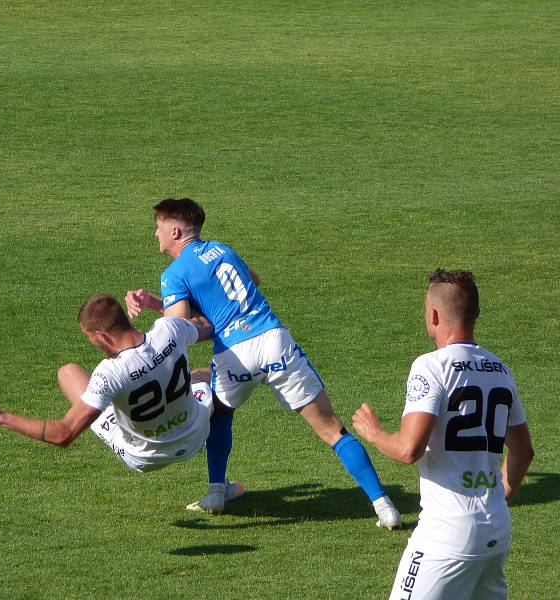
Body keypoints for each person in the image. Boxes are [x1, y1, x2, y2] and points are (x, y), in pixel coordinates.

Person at [125, 197, 401, 526]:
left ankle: (216, 492)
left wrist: (157, 314)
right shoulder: (223, 250)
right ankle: (385, 507)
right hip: (272, 340)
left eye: (157, 228)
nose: (155, 234)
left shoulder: (174, 274)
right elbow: (251, 281)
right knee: (331, 429)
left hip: (234, 354)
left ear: (174, 230)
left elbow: (182, 331)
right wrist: (166, 303)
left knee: (220, 410)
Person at [352, 269, 534, 599]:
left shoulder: (431, 367)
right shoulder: (501, 370)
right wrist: (498, 498)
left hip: (446, 536)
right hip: (495, 528)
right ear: (475, 312)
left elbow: (409, 449)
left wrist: (375, 433)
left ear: (434, 315)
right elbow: (523, 452)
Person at [0, 294, 218, 474]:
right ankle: (219, 481)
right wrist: (155, 303)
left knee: (68, 372)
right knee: (202, 374)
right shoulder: (169, 329)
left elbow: (64, 434)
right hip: (195, 433)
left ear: (101, 336)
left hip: (144, 456)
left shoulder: (109, 373)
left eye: (90, 338)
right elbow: (206, 326)